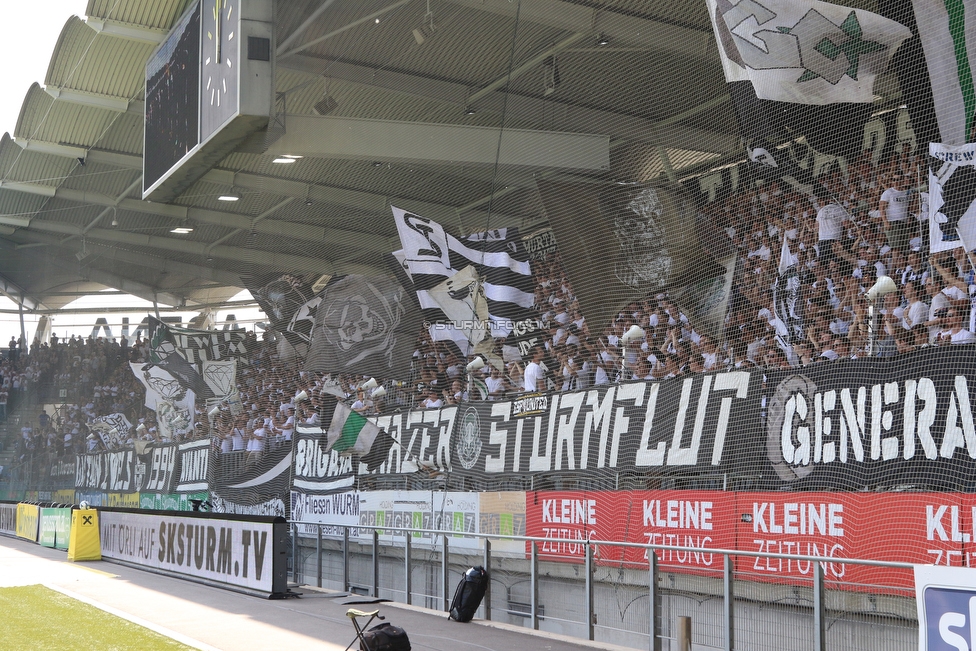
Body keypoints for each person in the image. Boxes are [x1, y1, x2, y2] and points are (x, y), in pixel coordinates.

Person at [880, 175, 911, 251]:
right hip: (892, 223)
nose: (896, 181)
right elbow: (881, 208)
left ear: (903, 180)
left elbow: (908, 207)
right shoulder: (888, 192)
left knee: (905, 247)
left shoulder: (906, 193)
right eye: (894, 179)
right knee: (896, 248)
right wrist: (885, 222)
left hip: (904, 222)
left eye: (898, 179)